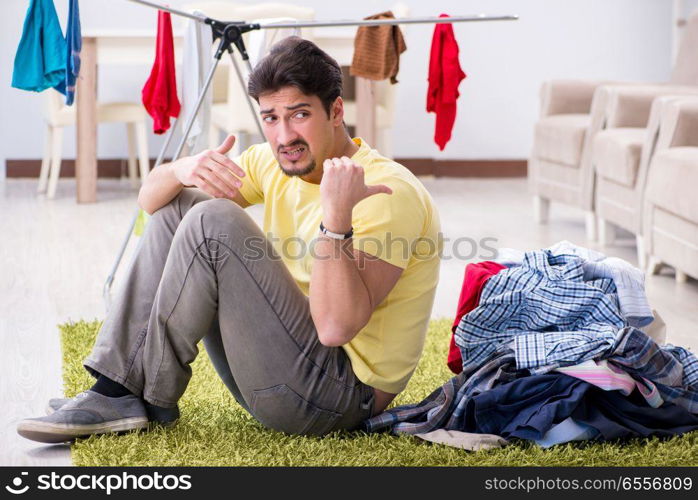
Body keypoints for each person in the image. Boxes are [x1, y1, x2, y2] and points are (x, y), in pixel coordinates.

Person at [17, 37, 441, 443]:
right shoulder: (270, 162)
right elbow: (153, 205)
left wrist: (336, 219)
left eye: (299, 114)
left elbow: (334, 329)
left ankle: (135, 395)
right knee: (181, 204)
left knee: (212, 218)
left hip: (335, 399)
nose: (284, 137)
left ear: (335, 111)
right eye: (271, 118)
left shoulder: (386, 191)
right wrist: (183, 168)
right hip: (277, 370)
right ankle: (116, 387)